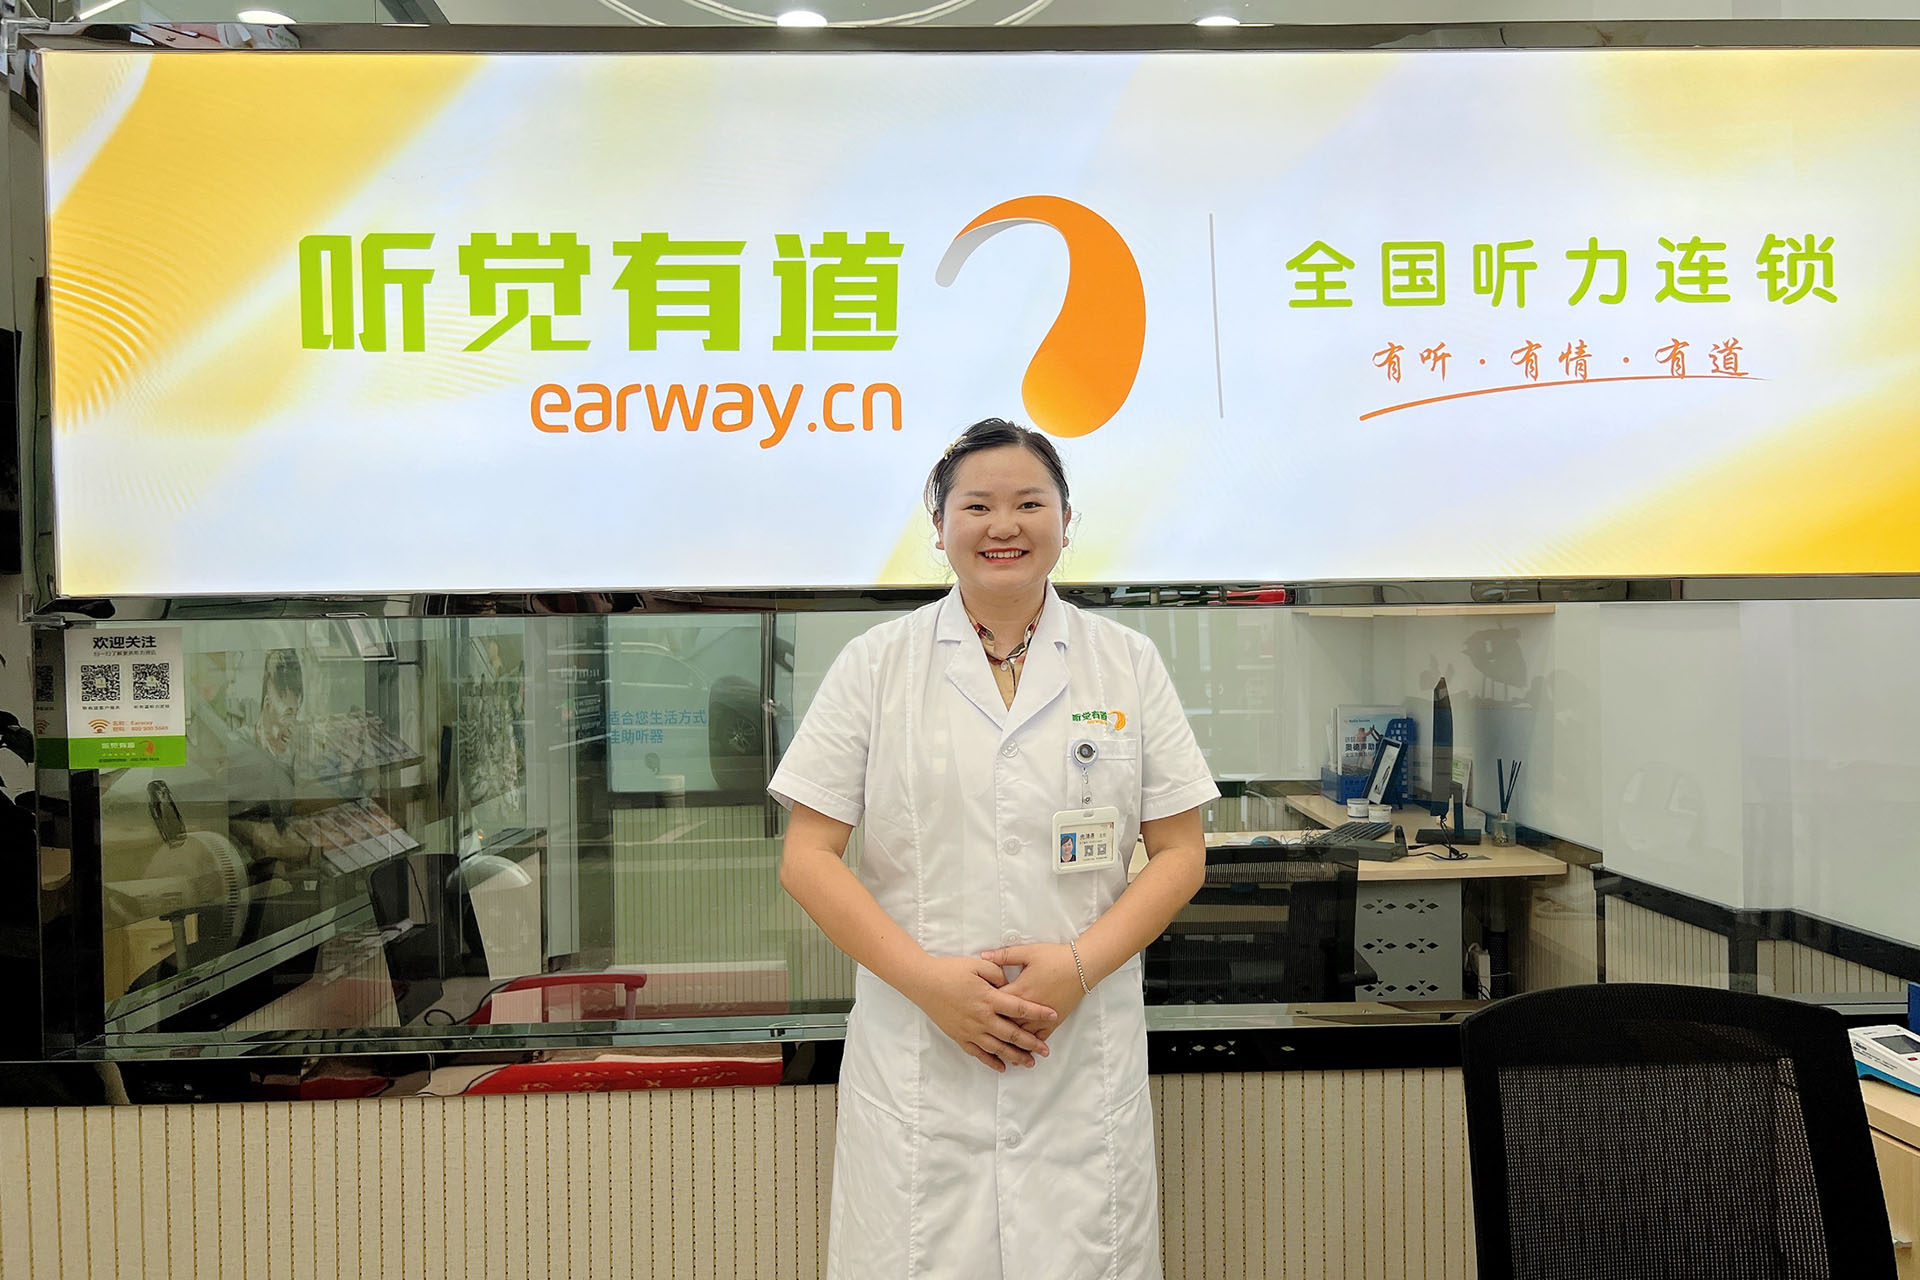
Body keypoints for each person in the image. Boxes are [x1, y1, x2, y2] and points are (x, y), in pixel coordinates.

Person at [770, 418, 1216, 1280]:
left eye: (1028, 504)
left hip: (1075, 1052)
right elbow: (808, 857)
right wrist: (931, 984)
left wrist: (1077, 967)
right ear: (939, 527)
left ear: (1066, 520)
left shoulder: (1125, 662)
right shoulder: (876, 665)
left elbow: (1180, 853)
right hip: (920, 1052)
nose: (1002, 525)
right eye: (976, 506)